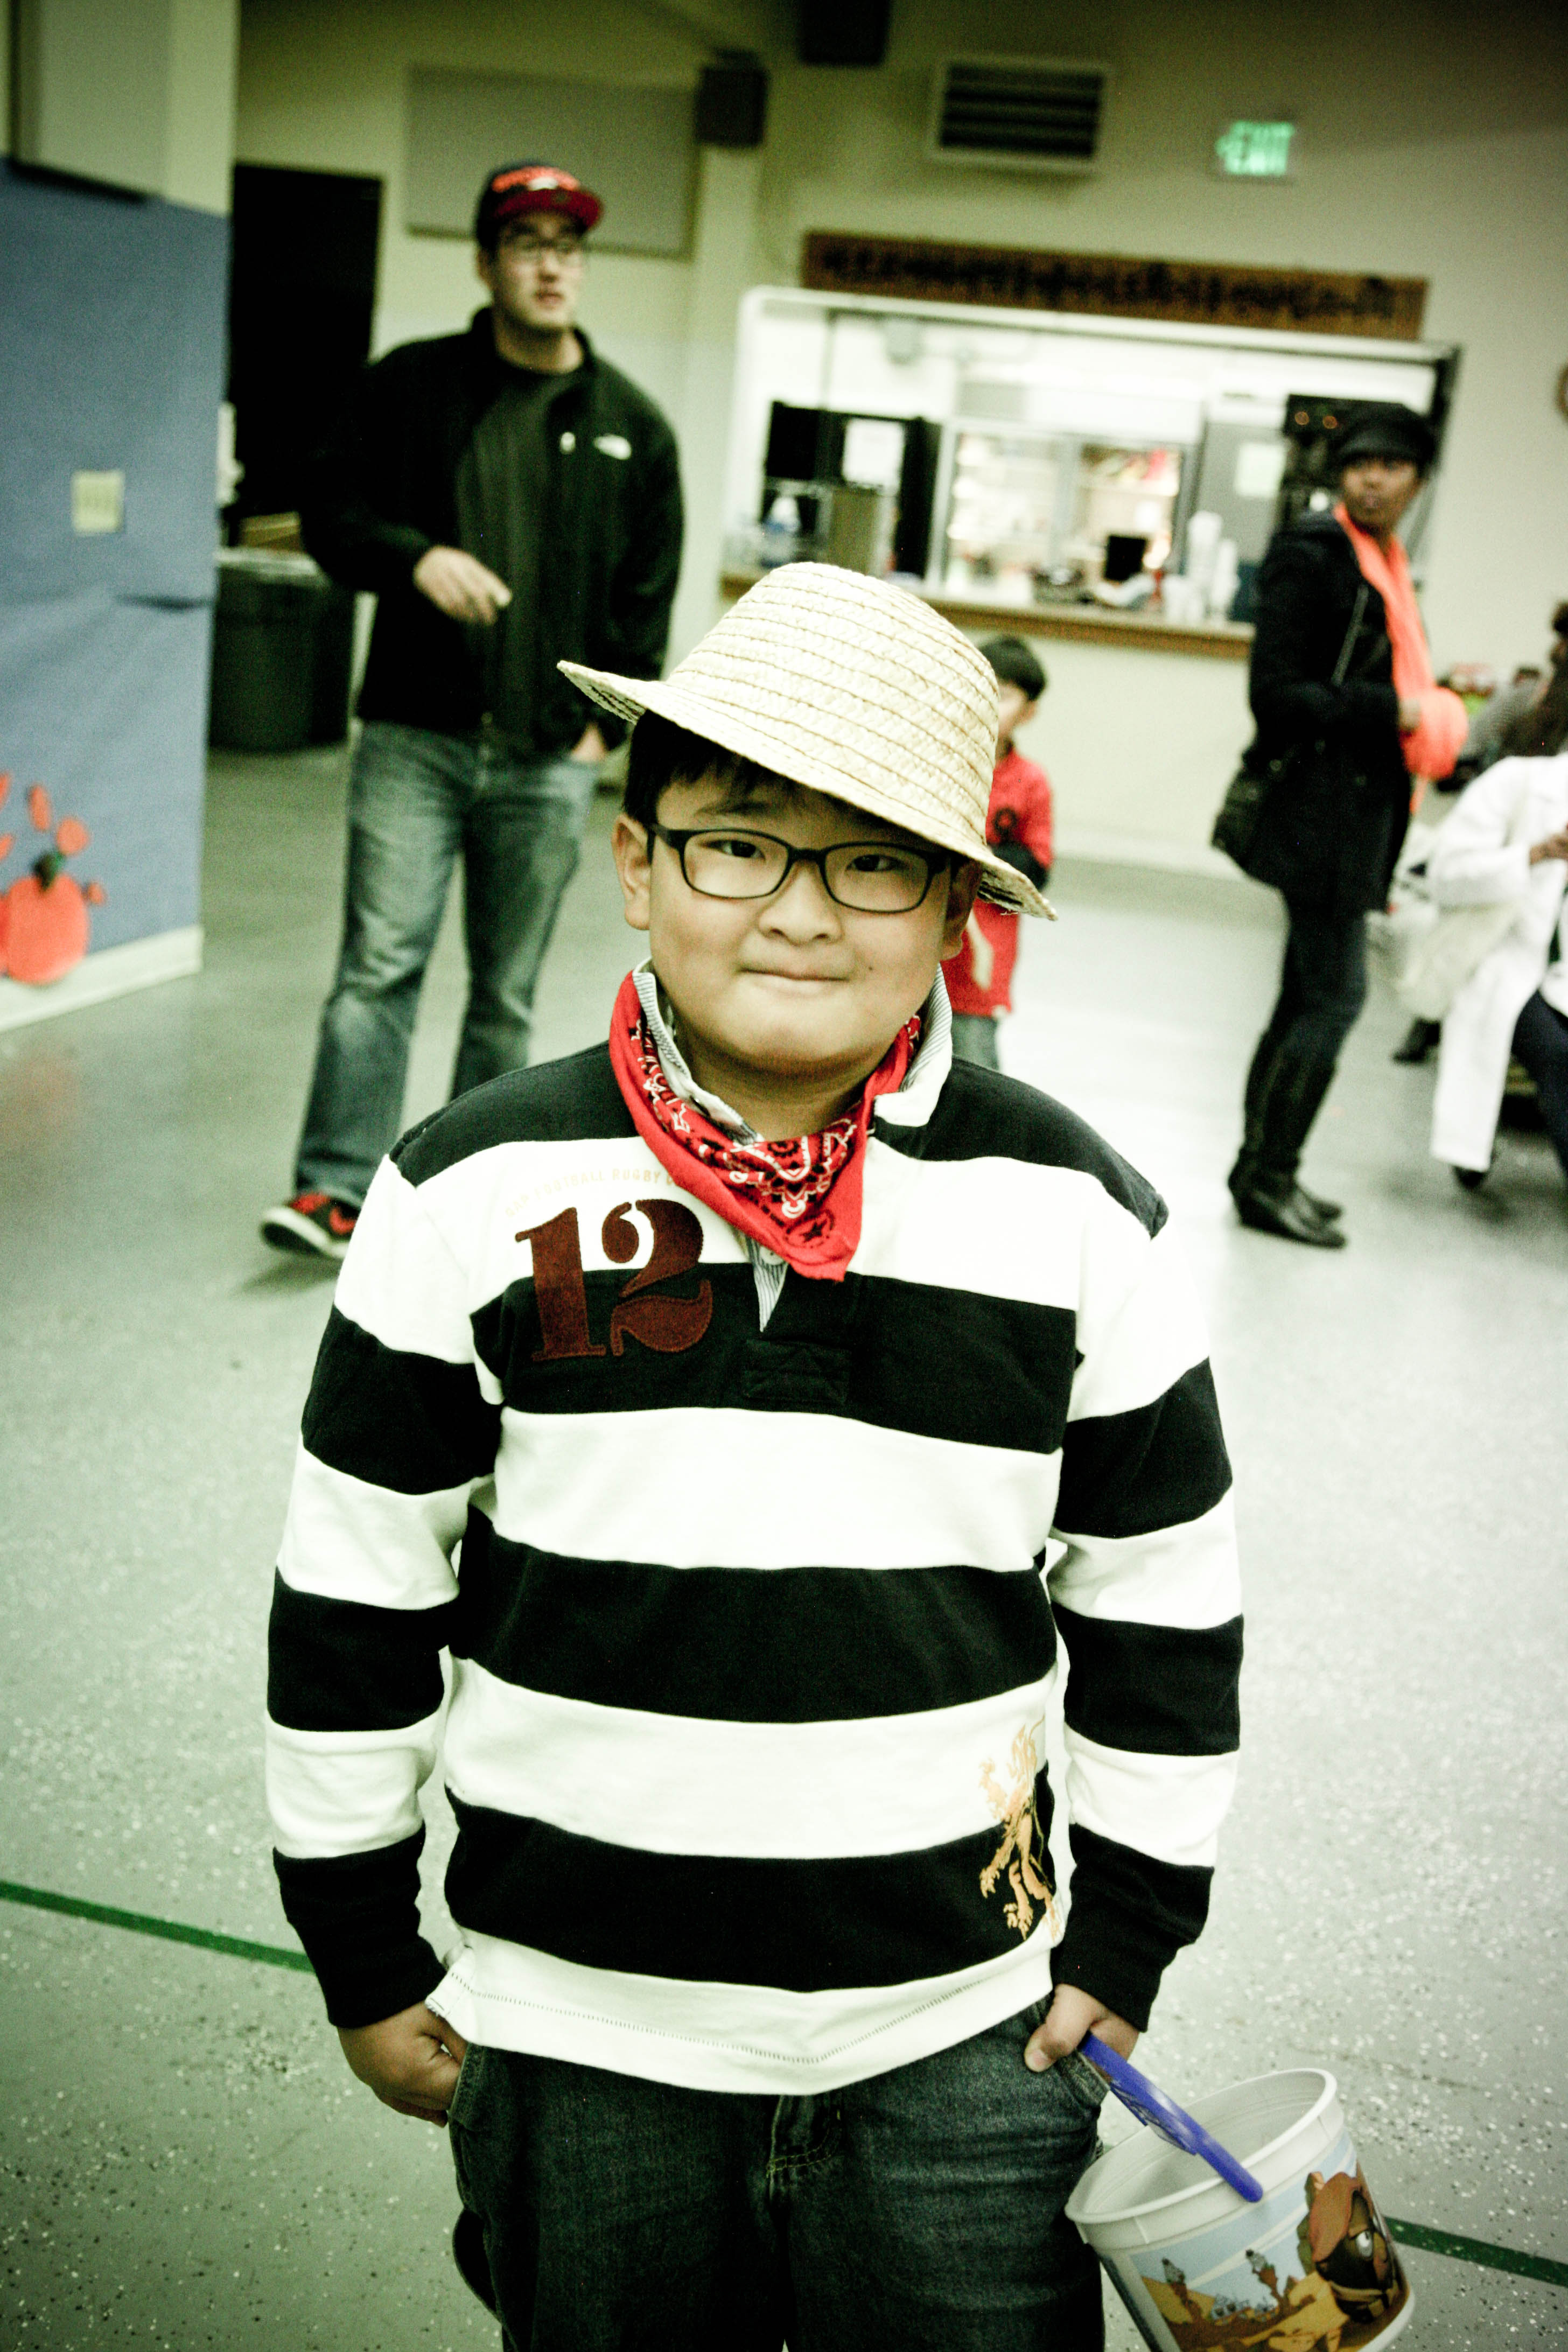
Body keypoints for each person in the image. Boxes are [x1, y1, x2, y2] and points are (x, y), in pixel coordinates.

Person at [265, 563, 1242, 2351]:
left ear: (956, 906)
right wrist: (360, 1944)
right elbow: (355, 1590)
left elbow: (1165, 1606)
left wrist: (1129, 1935)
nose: (799, 910)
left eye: (873, 861)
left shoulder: (1073, 1212)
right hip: (575, 2026)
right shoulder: (470, 1187)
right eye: (736, 844)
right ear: (635, 862)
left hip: (964, 2026)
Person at [261, 161, 683, 1261]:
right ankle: (332, 1190)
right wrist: (414, 558)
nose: (552, 264)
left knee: (503, 992)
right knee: (378, 967)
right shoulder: (409, 387)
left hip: (547, 756)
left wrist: (600, 734)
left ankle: (466, 1196)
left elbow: (645, 600)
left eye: (568, 245)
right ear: (486, 263)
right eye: (528, 243)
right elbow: (328, 511)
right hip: (415, 738)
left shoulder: (633, 427)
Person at [1229, 402, 1466, 1246]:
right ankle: (1270, 1178)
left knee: (1306, 994)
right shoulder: (1314, 554)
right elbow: (1276, 695)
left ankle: (1260, 1171)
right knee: (1336, 996)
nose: (1372, 479)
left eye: (1391, 466)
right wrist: (1395, 710)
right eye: (1360, 464)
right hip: (1316, 815)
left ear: (1418, 481)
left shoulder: (1385, 563)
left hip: (1350, 815)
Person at [1425, 663, 1568, 1192]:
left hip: (1560, 976)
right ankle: (1473, 1145)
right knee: (1558, 1058)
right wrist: (1537, 853)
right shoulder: (1518, 782)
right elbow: (1446, 876)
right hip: (1504, 960)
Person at [942, 634, 1055, 1067]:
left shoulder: (1031, 782)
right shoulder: (940, 762)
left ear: (1029, 712)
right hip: (923, 945)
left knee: (973, 1062)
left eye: (1004, 695)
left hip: (983, 955)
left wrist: (977, 853)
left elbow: (1038, 865)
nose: (989, 703)